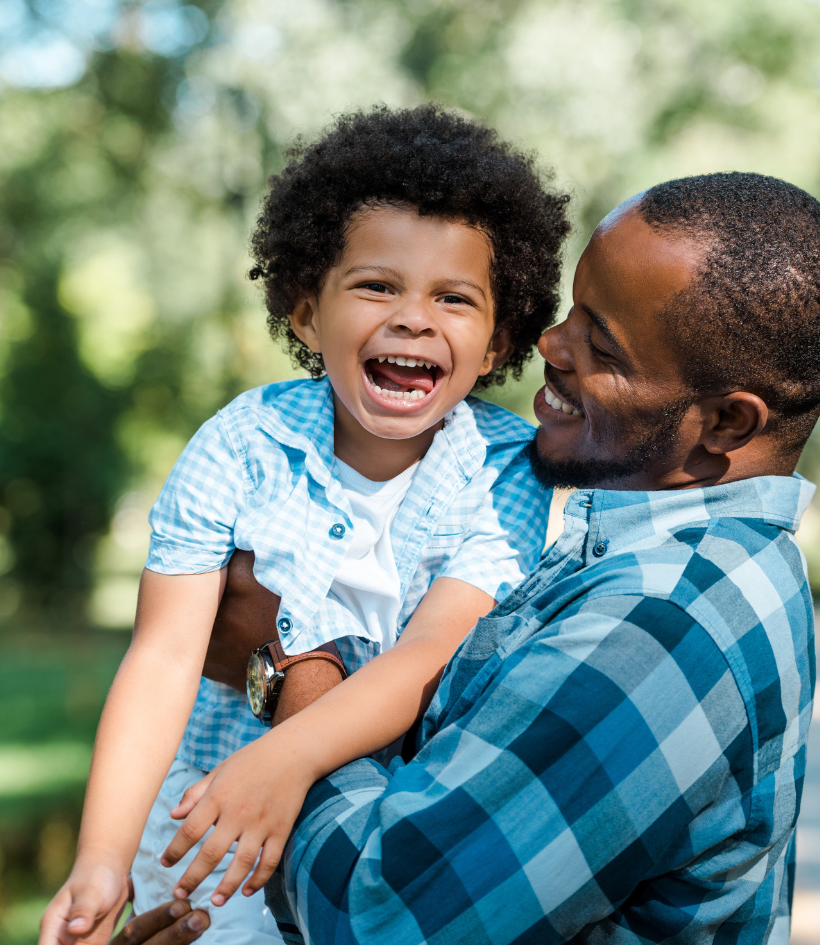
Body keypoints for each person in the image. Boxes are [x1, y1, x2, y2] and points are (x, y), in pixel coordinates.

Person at [120, 170, 820, 945]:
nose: (547, 343)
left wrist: (285, 666)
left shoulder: (661, 624)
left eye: (599, 343)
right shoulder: (664, 560)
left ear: (723, 423)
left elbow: (383, 917)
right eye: (571, 310)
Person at [40, 105, 570, 945]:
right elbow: (165, 654)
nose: (413, 317)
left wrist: (283, 759)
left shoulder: (507, 469)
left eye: (453, 298)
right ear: (305, 314)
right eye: (375, 285)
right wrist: (100, 858)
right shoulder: (239, 445)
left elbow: (430, 655)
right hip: (210, 824)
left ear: (498, 336)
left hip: (389, 830)